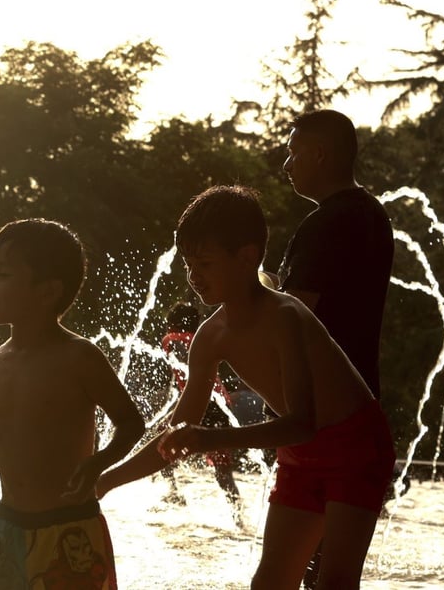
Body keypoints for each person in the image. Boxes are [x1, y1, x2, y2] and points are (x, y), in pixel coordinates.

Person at [97, 186, 395, 590]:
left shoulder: (287, 316)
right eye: (188, 264)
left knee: (335, 582)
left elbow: (301, 423)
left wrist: (210, 438)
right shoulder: (211, 336)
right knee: (269, 583)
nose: (193, 276)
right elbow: (178, 432)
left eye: (204, 263)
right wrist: (107, 480)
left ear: (247, 257)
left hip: (356, 448)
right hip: (299, 459)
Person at [0, 219, 145, 589]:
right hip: (6, 529)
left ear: (48, 291)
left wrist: (98, 463)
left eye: (4, 274)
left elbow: (130, 422)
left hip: (71, 531)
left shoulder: (79, 358)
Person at [280, 110, 395, 588]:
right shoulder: (373, 215)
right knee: (334, 573)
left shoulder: (326, 223)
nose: (287, 164)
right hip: (362, 401)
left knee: (310, 571)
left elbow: (292, 317)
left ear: (320, 153)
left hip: (321, 415)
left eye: (293, 151)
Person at [157, 302, 242, 519]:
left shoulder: (172, 340)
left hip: (205, 403)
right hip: (221, 404)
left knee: (161, 439)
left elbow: (188, 383)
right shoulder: (201, 339)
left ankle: (173, 490)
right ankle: (239, 518)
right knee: (223, 471)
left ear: (172, 324)